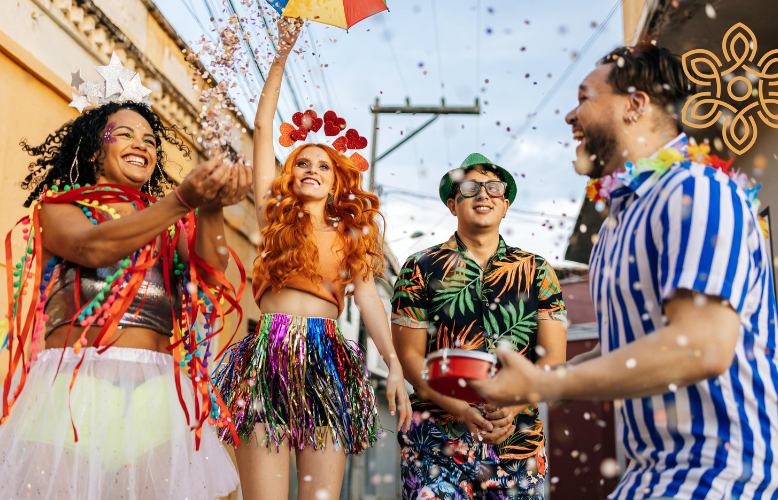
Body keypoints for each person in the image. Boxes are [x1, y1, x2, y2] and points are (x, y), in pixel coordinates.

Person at [471, 44, 778, 500]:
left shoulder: (697, 189)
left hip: (723, 474)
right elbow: (629, 348)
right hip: (646, 474)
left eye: (585, 97)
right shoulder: (619, 222)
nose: (571, 116)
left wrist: (548, 381)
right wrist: (537, 388)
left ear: (636, 103)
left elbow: (701, 347)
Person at [0, 55, 251, 499]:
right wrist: (183, 199)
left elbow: (212, 268)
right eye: (124, 134)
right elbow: (94, 247)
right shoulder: (59, 209)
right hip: (69, 388)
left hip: (157, 393)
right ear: (93, 150)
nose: (141, 143)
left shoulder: (171, 222)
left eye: (149, 139)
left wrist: (213, 206)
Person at [211, 18, 412, 500]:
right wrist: (281, 53)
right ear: (290, 171)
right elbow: (262, 128)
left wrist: (394, 365)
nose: (313, 170)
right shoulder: (272, 216)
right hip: (266, 357)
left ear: (336, 180)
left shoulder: (351, 235)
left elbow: (368, 300)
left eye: (323, 165)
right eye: (303, 161)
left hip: (327, 361)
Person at [390, 153, 568, 500]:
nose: (483, 195)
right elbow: (410, 356)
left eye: (494, 188)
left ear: (505, 205)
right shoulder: (419, 267)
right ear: (453, 204)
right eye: (470, 187)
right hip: (435, 443)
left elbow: (553, 360)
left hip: (517, 442)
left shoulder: (538, 271)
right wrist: (459, 408)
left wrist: (513, 405)